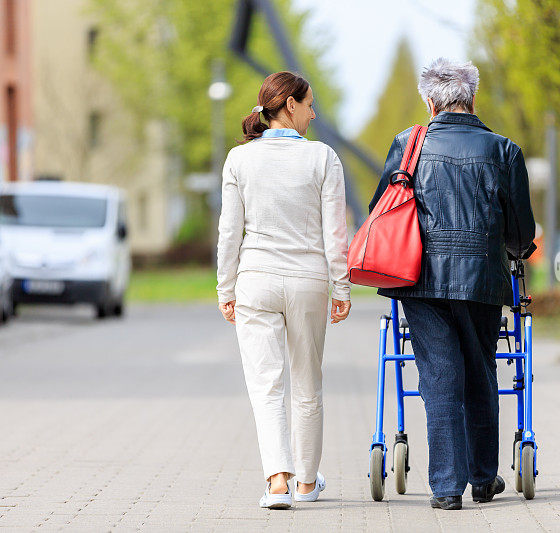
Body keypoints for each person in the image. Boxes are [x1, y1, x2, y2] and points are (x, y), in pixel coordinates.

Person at [369, 58, 536, 510]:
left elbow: (380, 209)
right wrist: (516, 252)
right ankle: (483, 479)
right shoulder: (505, 151)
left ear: (429, 101)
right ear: (473, 98)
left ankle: (445, 487)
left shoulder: (408, 145)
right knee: (481, 371)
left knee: (439, 375)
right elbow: (522, 232)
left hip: (418, 279)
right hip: (482, 278)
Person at [216, 71, 351, 510]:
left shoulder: (239, 160)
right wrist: (342, 287)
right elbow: (335, 233)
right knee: (308, 384)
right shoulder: (323, 158)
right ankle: (307, 484)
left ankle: (277, 482)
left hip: (255, 281)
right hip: (309, 282)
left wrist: (225, 287)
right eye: (310, 104)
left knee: (266, 385)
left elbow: (229, 233)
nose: (314, 113)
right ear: (289, 105)